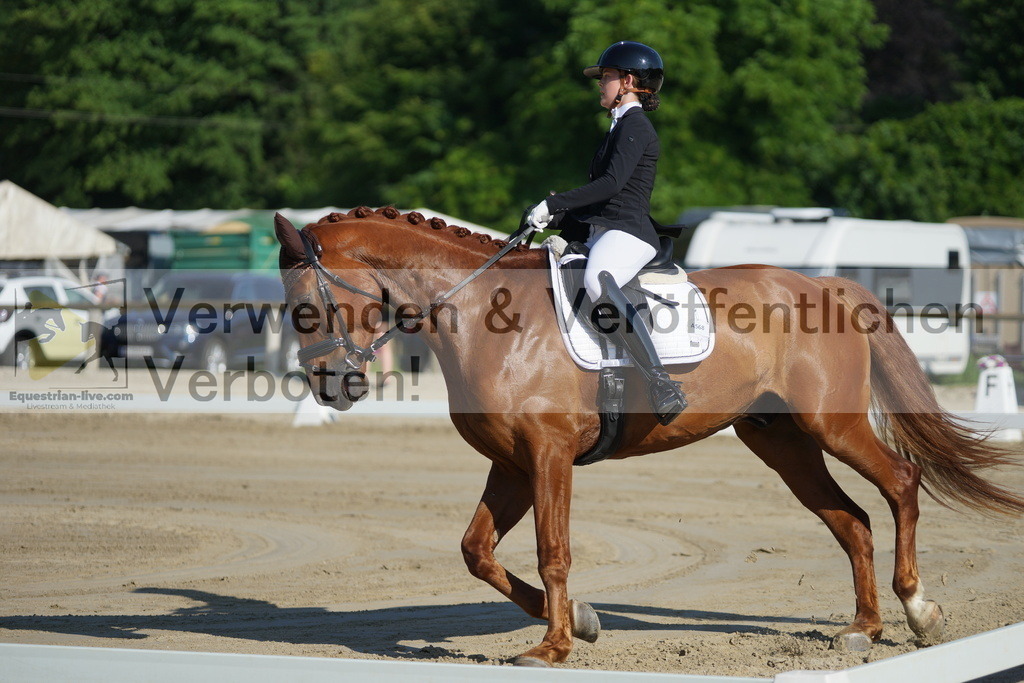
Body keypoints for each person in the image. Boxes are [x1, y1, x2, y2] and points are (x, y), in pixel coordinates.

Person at [526, 40, 687, 425]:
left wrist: (557, 203)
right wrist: (558, 215)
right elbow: (599, 196)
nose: (601, 84)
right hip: (606, 227)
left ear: (629, 81)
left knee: (599, 280)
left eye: (607, 77)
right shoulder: (617, 127)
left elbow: (612, 185)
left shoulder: (636, 126)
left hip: (629, 231)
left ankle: (661, 383)